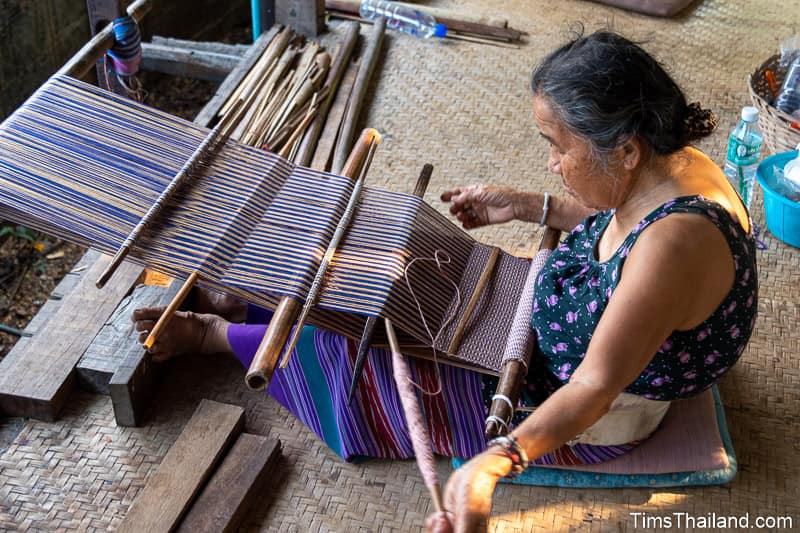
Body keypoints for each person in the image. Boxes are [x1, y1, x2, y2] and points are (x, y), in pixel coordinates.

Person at [134, 29, 757, 533]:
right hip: (571, 314)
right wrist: (526, 205)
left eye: (557, 146)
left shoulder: (675, 243)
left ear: (625, 148)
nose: (551, 162)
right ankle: (252, 296)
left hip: (596, 405)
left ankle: (216, 334)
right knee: (366, 271)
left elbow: (595, 384)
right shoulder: (669, 163)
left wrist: (497, 459)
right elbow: (614, 219)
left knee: (349, 352)